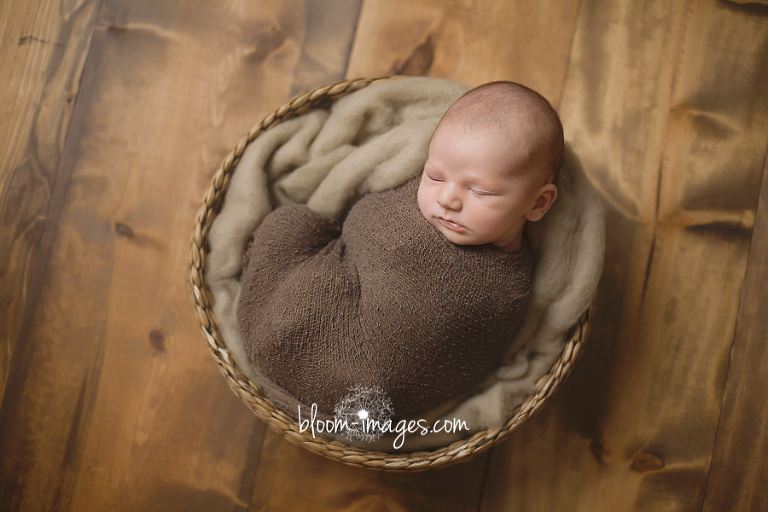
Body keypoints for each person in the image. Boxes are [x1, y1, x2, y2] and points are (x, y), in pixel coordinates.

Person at [237, 81, 564, 422]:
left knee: (289, 226)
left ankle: (279, 344)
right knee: (293, 228)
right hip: (302, 330)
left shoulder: (506, 288)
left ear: (538, 202)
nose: (447, 200)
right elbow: (361, 223)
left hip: (362, 386)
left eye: (479, 191)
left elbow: (473, 349)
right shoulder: (415, 206)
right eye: (434, 176)